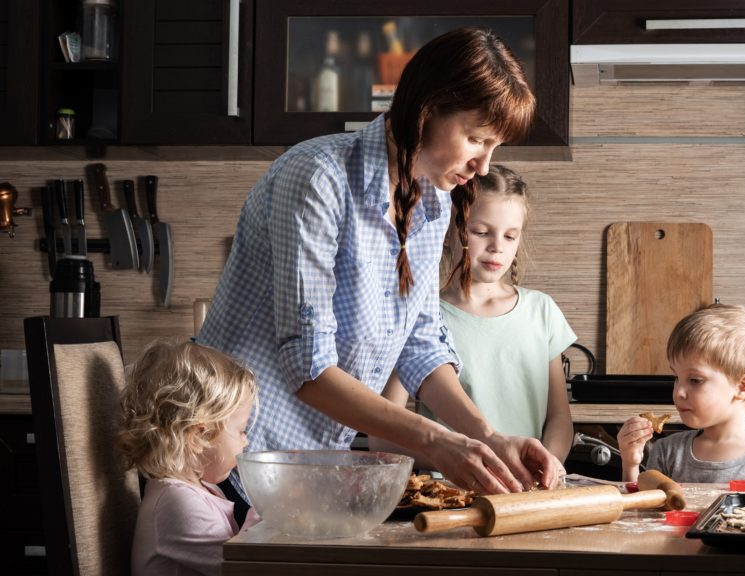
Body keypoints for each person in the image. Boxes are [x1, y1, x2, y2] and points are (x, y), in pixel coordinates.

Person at [196, 26, 560, 502]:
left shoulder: (433, 202)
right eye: (476, 139)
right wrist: (437, 440)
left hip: (309, 468)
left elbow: (421, 344)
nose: (484, 166)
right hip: (234, 460)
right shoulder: (317, 180)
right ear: (428, 112)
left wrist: (488, 438)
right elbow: (308, 366)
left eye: (494, 148)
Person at [371, 165, 576, 464]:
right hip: (452, 491)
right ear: (447, 231)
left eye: (510, 236)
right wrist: (454, 459)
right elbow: (383, 437)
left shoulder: (541, 311)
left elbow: (559, 418)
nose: (496, 247)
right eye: (481, 232)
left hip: (524, 491)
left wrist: (549, 462)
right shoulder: (420, 317)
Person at [616, 305, 745, 485]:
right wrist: (631, 464)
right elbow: (640, 515)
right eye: (676, 377)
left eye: (695, 380)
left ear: (743, 387)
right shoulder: (668, 452)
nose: (679, 392)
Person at [118, 340, 259, 576]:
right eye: (241, 431)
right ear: (198, 436)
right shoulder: (177, 503)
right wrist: (267, 509)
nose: (246, 442)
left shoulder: (201, 489)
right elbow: (242, 567)